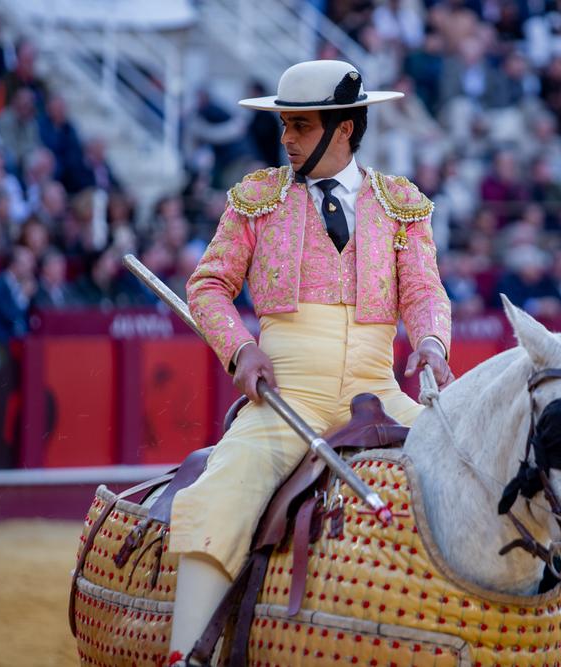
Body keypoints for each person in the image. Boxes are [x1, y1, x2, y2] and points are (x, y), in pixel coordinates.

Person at [166, 60, 454, 663]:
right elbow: (209, 286)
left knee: (462, 472)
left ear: (344, 129)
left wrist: (431, 343)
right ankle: (185, 657)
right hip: (288, 395)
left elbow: (424, 292)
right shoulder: (257, 199)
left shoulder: (401, 204)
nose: (286, 138)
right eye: (284, 124)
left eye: (299, 124)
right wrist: (241, 348)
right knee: (225, 490)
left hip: (380, 392)